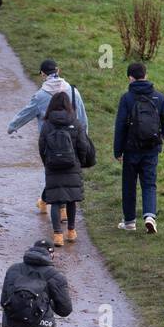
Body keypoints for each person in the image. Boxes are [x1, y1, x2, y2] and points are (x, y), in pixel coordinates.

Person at [7, 58, 90, 214]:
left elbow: (26, 113)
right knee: (68, 173)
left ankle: (49, 203)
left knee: (51, 174)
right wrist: (84, 137)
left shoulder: (40, 95)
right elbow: (82, 117)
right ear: (58, 71)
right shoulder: (73, 91)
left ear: (43, 75)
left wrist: (12, 126)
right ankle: (62, 209)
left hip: (50, 142)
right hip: (72, 139)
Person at [114, 61, 164, 234]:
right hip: (151, 150)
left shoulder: (127, 98)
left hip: (131, 150)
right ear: (146, 75)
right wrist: (157, 136)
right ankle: (149, 216)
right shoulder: (159, 97)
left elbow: (120, 127)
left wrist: (118, 151)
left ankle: (130, 221)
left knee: (129, 185)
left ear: (130, 78)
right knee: (149, 184)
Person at [38, 91, 96, 246]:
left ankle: (57, 235)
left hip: (52, 166)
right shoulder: (75, 122)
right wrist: (80, 161)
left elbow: (41, 145)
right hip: (72, 165)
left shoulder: (47, 124)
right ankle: (71, 231)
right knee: (71, 200)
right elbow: (83, 145)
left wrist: (47, 163)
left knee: (56, 201)